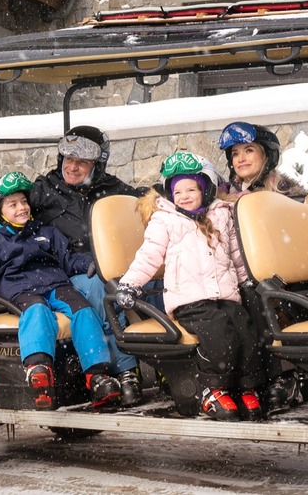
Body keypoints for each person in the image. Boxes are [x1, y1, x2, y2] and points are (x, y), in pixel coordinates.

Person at [115, 152, 271, 421]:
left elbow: (236, 254)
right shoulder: (165, 219)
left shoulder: (221, 214)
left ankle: (246, 387)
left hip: (224, 295)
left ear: (206, 190)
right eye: (177, 191)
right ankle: (214, 389)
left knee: (245, 328)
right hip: (190, 300)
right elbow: (149, 255)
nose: (184, 196)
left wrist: (246, 279)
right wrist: (130, 284)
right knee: (219, 332)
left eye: (191, 190)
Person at [0, 170, 122, 410]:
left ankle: (97, 376)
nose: (22, 208)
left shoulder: (46, 232)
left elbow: (68, 259)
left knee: (83, 310)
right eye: (13, 204)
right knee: (38, 311)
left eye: (23, 202)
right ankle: (39, 370)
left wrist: (89, 264)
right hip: (21, 290)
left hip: (56, 285)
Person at [28, 125, 148, 398]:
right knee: (99, 288)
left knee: (156, 283)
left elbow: (142, 202)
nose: (72, 167)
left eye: (82, 162)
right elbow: (4, 193)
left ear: (97, 164)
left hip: (113, 266)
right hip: (70, 270)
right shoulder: (45, 190)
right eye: (69, 159)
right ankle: (125, 369)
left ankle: (170, 363)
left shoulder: (110, 188)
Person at [214, 121, 308, 202]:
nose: (241, 159)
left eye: (249, 151)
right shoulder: (220, 195)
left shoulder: (288, 195)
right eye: (235, 154)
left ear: (267, 156)